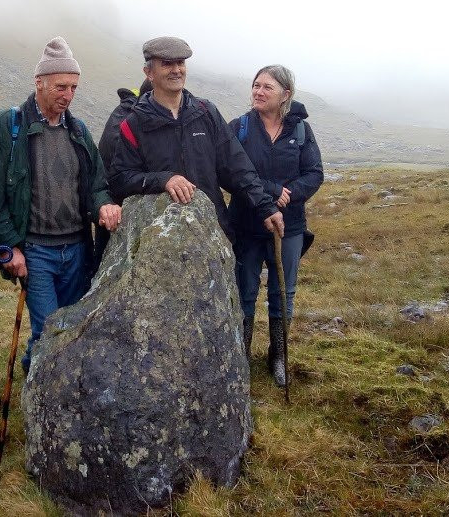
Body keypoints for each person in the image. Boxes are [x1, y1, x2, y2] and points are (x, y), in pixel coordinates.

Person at [0, 36, 121, 374]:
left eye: (73, 87)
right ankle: (44, 400)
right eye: (60, 86)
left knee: (69, 329)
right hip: (36, 251)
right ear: (39, 82)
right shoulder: (7, 128)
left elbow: (97, 185)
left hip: (75, 249)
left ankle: (35, 373)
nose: (67, 95)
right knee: (50, 330)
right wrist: (11, 248)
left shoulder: (79, 130)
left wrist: (104, 205)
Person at [109, 36, 283, 246]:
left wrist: (265, 206)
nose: (176, 70)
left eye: (181, 63)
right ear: (149, 73)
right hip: (159, 242)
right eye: (167, 64)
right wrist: (164, 179)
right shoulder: (133, 124)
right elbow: (120, 179)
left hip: (213, 232)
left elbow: (236, 168)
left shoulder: (206, 112)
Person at [228, 65, 323, 386]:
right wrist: (271, 191)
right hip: (246, 226)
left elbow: (314, 173)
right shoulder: (239, 128)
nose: (258, 91)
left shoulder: (301, 132)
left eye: (267, 87)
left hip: (290, 227)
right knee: (245, 291)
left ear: (286, 94)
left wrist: (291, 194)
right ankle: (240, 353)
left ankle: (278, 356)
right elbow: (230, 172)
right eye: (255, 85)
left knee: (284, 292)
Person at [93, 78, 152, 266]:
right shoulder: (131, 120)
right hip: (116, 211)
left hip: (108, 206)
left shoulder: (124, 112)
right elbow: (120, 170)